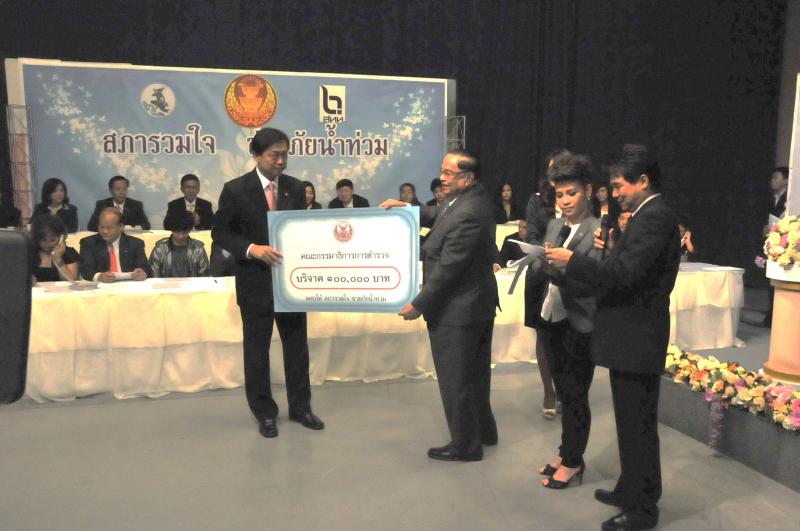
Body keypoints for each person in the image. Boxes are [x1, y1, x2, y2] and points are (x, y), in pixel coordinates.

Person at [546, 144, 680, 530]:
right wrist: (611, 252)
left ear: (643, 181)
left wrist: (575, 261)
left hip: (637, 337)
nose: (614, 193)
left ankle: (642, 510)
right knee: (630, 423)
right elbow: (627, 268)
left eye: (619, 185)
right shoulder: (644, 216)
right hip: (630, 336)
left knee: (637, 427)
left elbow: (623, 277)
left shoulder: (655, 216)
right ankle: (630, 488)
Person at [381, 149, 498, 462]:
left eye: (449, 173)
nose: (442, 178)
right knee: (475, 375)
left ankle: (466, 445)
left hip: (458, 309)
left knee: (456, 378)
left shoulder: (468, 212)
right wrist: (407, 209)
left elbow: (449, 268)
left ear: (468, 178)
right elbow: (439, 214)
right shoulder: (469, 198)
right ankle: (484, 432)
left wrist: (418, 304)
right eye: (442, 170)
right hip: (474, 305)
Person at [212, 127, 324, 438]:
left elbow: (302, 230)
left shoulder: (295, 188)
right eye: (275, 155)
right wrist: (252, 249)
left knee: (297, 349)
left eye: (285, 155)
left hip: (291, 284)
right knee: (257, 352)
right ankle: (264, 412)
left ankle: (301, 408)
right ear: (256, 154)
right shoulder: (235, 190)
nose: (281, 161)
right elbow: (221, 233)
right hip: (255, 282)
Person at [530, 152, 602, 490]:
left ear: (588, 191)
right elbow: (541, 265)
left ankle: (574, 461)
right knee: (562, 390)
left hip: (581, 320)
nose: (566, 200)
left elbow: (597, 279)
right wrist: (539, 261)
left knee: (576, 394)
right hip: (552, 316)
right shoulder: (555, 225)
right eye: (560, 194)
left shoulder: (598, 229)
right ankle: (565, 453)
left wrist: (564, 266)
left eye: (572, 193)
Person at [524, 150, 565, 420]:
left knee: (567, 335)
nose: (556, 174)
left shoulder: (579, 199)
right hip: (541, 274)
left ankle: (565, 389)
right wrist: (545, 251)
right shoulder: (536, 200)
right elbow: (532, 234)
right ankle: (549, 392)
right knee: (544, 335)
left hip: (570, 275)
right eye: (552, 169)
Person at [79, 207, 151, 282]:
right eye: (102, 227)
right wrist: (99, 277)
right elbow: (85, 270)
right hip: (102, 286)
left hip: (129, 285)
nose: (105, 231)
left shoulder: (135, 244)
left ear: (121, 226)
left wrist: (143, 274)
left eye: (109, 228)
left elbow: (145, 268)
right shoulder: (88, 243)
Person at [149, 211, 210, 277]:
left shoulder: (198, 248)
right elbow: (154, 275)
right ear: (171, 229)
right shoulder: (160, 249)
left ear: (189, 230)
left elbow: (204, 276)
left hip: (192, 283)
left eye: (184, 232)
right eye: (177, 232)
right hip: (165, 284)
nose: (181, 236)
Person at [30, 214, 80, 282]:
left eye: (52, 240)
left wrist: (59, 259)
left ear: (61, 237)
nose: (48, 244)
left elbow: (72, 281)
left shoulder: (69, 253)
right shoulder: (31, 253)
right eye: (43, 240)